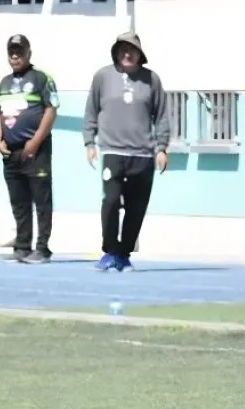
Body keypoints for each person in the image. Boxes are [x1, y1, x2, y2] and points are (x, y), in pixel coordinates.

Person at [83, 31, 169, 272]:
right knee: (110, 201)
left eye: (131, 49)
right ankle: (110, 250)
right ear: (116, 52)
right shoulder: (103, 77)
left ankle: (124, 253)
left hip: (142, 155)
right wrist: (89, 142)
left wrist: (161, 147)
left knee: (136, 207)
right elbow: (91, 110)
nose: (127, 53)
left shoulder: (152, 80)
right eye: (122, 49)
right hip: (112, 152)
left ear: (140, 55)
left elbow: (162, 115)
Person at [0, 34, 59, 264]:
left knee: (41, 200)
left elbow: (51, 110)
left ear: (29, 53)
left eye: (19, 51)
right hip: (11, 152)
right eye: (12, 52)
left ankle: (42, 248)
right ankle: (22, 246)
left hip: (36, 150)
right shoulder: (4, 82)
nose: (15, 56)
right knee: (18, 201)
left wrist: (35, 142)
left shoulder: (42, 79)